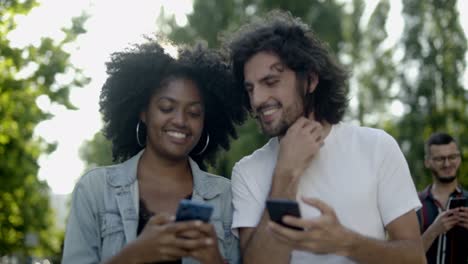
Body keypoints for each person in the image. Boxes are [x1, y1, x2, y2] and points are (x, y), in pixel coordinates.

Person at [222, 10, 426, 263]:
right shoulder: (247, 171)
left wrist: (347, 243)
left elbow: (415, 257)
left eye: (271, 81)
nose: (258, 99)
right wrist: (285, 173)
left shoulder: (376, 146)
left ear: (310, 80)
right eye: (250, 88)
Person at [62, 40, 245, 264]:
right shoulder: (95, 189)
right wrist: (134, 255)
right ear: (143, 112)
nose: (180, 120)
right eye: (167, 108)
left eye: (194, 113)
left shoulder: (226, 196)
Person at [417, 132, 468, 264]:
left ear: (459, 158)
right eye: (439, 159)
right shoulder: (414, 205)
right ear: (427, 162)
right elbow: (403, 258)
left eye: (452, 157)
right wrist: (433, 231)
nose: (447, 164)